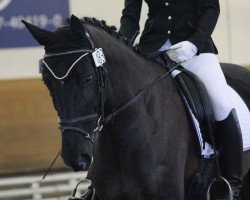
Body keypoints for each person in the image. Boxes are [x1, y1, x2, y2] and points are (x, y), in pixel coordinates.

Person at [119, 0, 245, 199]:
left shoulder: (194, 45)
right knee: (119, 99)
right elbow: (130, 16)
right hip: (152, 50)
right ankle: (101, 181)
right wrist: (123, 46)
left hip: (194, 50)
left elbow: (211, 8)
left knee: (221, 103)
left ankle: (232, 182)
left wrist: (195, 43)